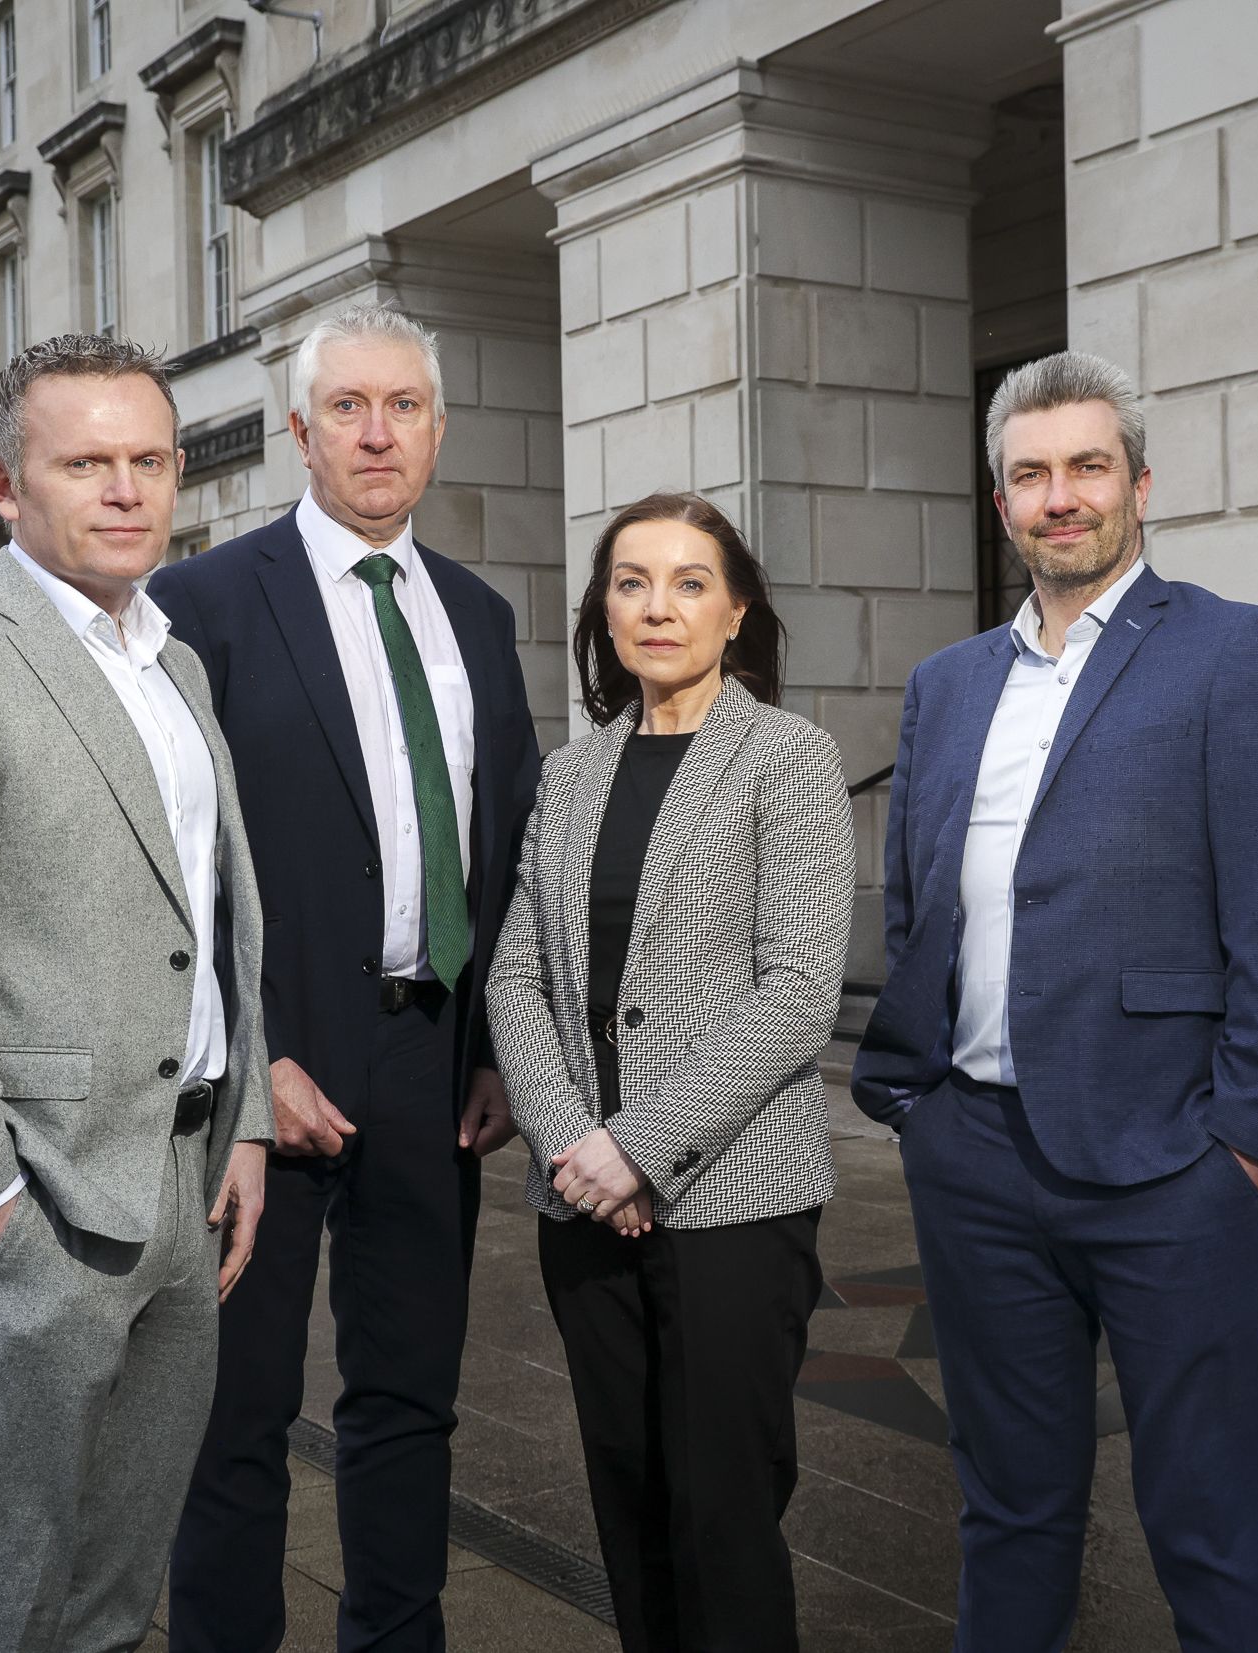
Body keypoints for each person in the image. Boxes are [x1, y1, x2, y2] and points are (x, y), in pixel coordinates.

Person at [851, 351, 1258, 1652]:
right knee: (1006, 1511)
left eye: (1085, 467)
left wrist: (1238, 1142)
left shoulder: (1233, 653)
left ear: (1138, 482)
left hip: (1167, 1164)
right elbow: (917, 902)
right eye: (1029, 474)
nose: (1058, 497)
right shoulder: (949, 684)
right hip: (975, 1163)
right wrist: (922, 1105)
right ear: (1000, 500)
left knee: (1213, 1520)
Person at [0, 333, 275, 1653]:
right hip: (40, 1203)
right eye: (86, 464)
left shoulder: (173, 664)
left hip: (184, 1183)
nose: (127, 490)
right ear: (4, 485)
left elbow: (218, 910)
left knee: (115, 1593)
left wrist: (240, 1121)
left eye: (149, 460)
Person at [152, 301, 541, 1653]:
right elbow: (171, 858)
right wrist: (249, 1056)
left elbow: (505, 850)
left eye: (407, 407)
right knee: (237, 1418)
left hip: (432, 1071)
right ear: (298, 431)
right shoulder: (201, 605)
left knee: (409, 1407)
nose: (380, 433)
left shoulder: (482, 620)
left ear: (437, 428)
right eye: (351, 408)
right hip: (269, 1075)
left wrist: (495, 1041)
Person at [486, 492, 854, 1653]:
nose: (659, 606)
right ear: (602, 609)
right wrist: (574, 1149)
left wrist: (639, 1145)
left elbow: (796, 990)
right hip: (580, 1199)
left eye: (690, 582)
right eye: (632, 582)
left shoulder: (786, 758)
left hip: (734, 1202)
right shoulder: (570, 774)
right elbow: (515, 981)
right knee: (627, 1500)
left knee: (723, 1510)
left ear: (735, 611)